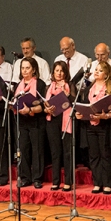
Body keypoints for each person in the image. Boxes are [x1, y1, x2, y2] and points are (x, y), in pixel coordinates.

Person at [77, 60, 111, 194]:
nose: (96, 72)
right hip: (90, 126)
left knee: (106, 155)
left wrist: (104, 116)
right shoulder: (88, 89)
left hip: (105, 126)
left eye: (100, 70)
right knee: (94, 155)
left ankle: (107, 184)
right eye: (96, 70)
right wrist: (80, 114)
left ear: (106, 74)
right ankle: (97, 183)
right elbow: (84, 105)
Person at [10, 57, 47, 188]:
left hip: (36, 121)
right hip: (21, 122)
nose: (24, 71)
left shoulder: (40, 84)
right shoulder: (17, 85)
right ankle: (25, 177)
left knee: (37, 151)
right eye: (22, 68)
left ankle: (37, 178)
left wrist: (30, 109)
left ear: (34, 69)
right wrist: (12, 106)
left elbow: (43, 106)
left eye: (27, 68)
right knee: (23, 150)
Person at [43, 60, 76, 191]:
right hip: (52, 120)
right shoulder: (48, 87)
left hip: (66, 120)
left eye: (62, 71)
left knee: (67, 152)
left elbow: (74, 101)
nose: (59, 73)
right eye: (57, 71)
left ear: (66, 73)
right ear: (53, 73)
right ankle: (56, 181)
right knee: (55, 152)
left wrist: (66, 94)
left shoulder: (70, 85)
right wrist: (46, 109)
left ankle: (68, 181)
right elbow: (44, 104)